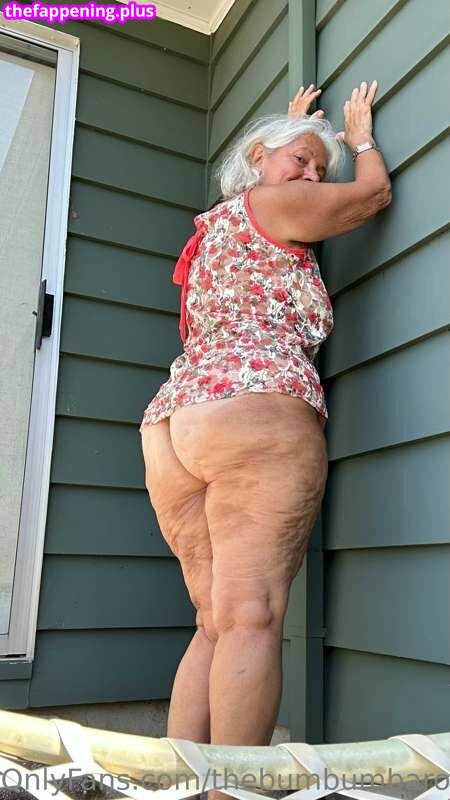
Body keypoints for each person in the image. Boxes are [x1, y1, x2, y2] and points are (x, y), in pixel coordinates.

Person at [139, 80, 391, 799]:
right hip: (255, 406)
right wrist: (358, 140)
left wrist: (296, 133)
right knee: (252, 615)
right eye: (300, 162)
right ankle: (229, 795)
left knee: (215, 621)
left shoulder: (215, 229)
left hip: (175, 423)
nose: (312, 175)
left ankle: (180, 787)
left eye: (319, 167)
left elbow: (281, 165)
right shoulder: (273, 204)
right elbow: (371, 196)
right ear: (257, 159)